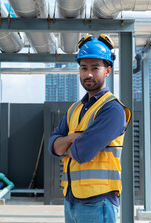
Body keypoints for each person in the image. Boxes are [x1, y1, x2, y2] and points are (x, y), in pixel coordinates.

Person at [48, 34, 131, 223]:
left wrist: (67, 144)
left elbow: (82, 152)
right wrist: (72, 138)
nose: (89, 74)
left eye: (95, 68)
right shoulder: (74, 109)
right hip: (71, 201)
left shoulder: (112, 109)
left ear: (108, 70)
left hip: (98, 202)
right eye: (84, 68)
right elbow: (53, 146)